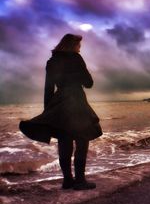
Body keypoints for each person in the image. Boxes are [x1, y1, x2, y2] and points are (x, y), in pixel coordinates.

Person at [19, 34, 102, 190]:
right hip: (76, 102)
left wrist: (48, 112)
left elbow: (48, 89)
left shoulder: (51, 62)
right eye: (78, 45)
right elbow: (89, 83)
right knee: (82, 140)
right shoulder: (76, 58)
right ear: (73, 45)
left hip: (58, 104)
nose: (80, 48)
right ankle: (80, 181)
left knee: (65, 142)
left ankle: (67, 181)